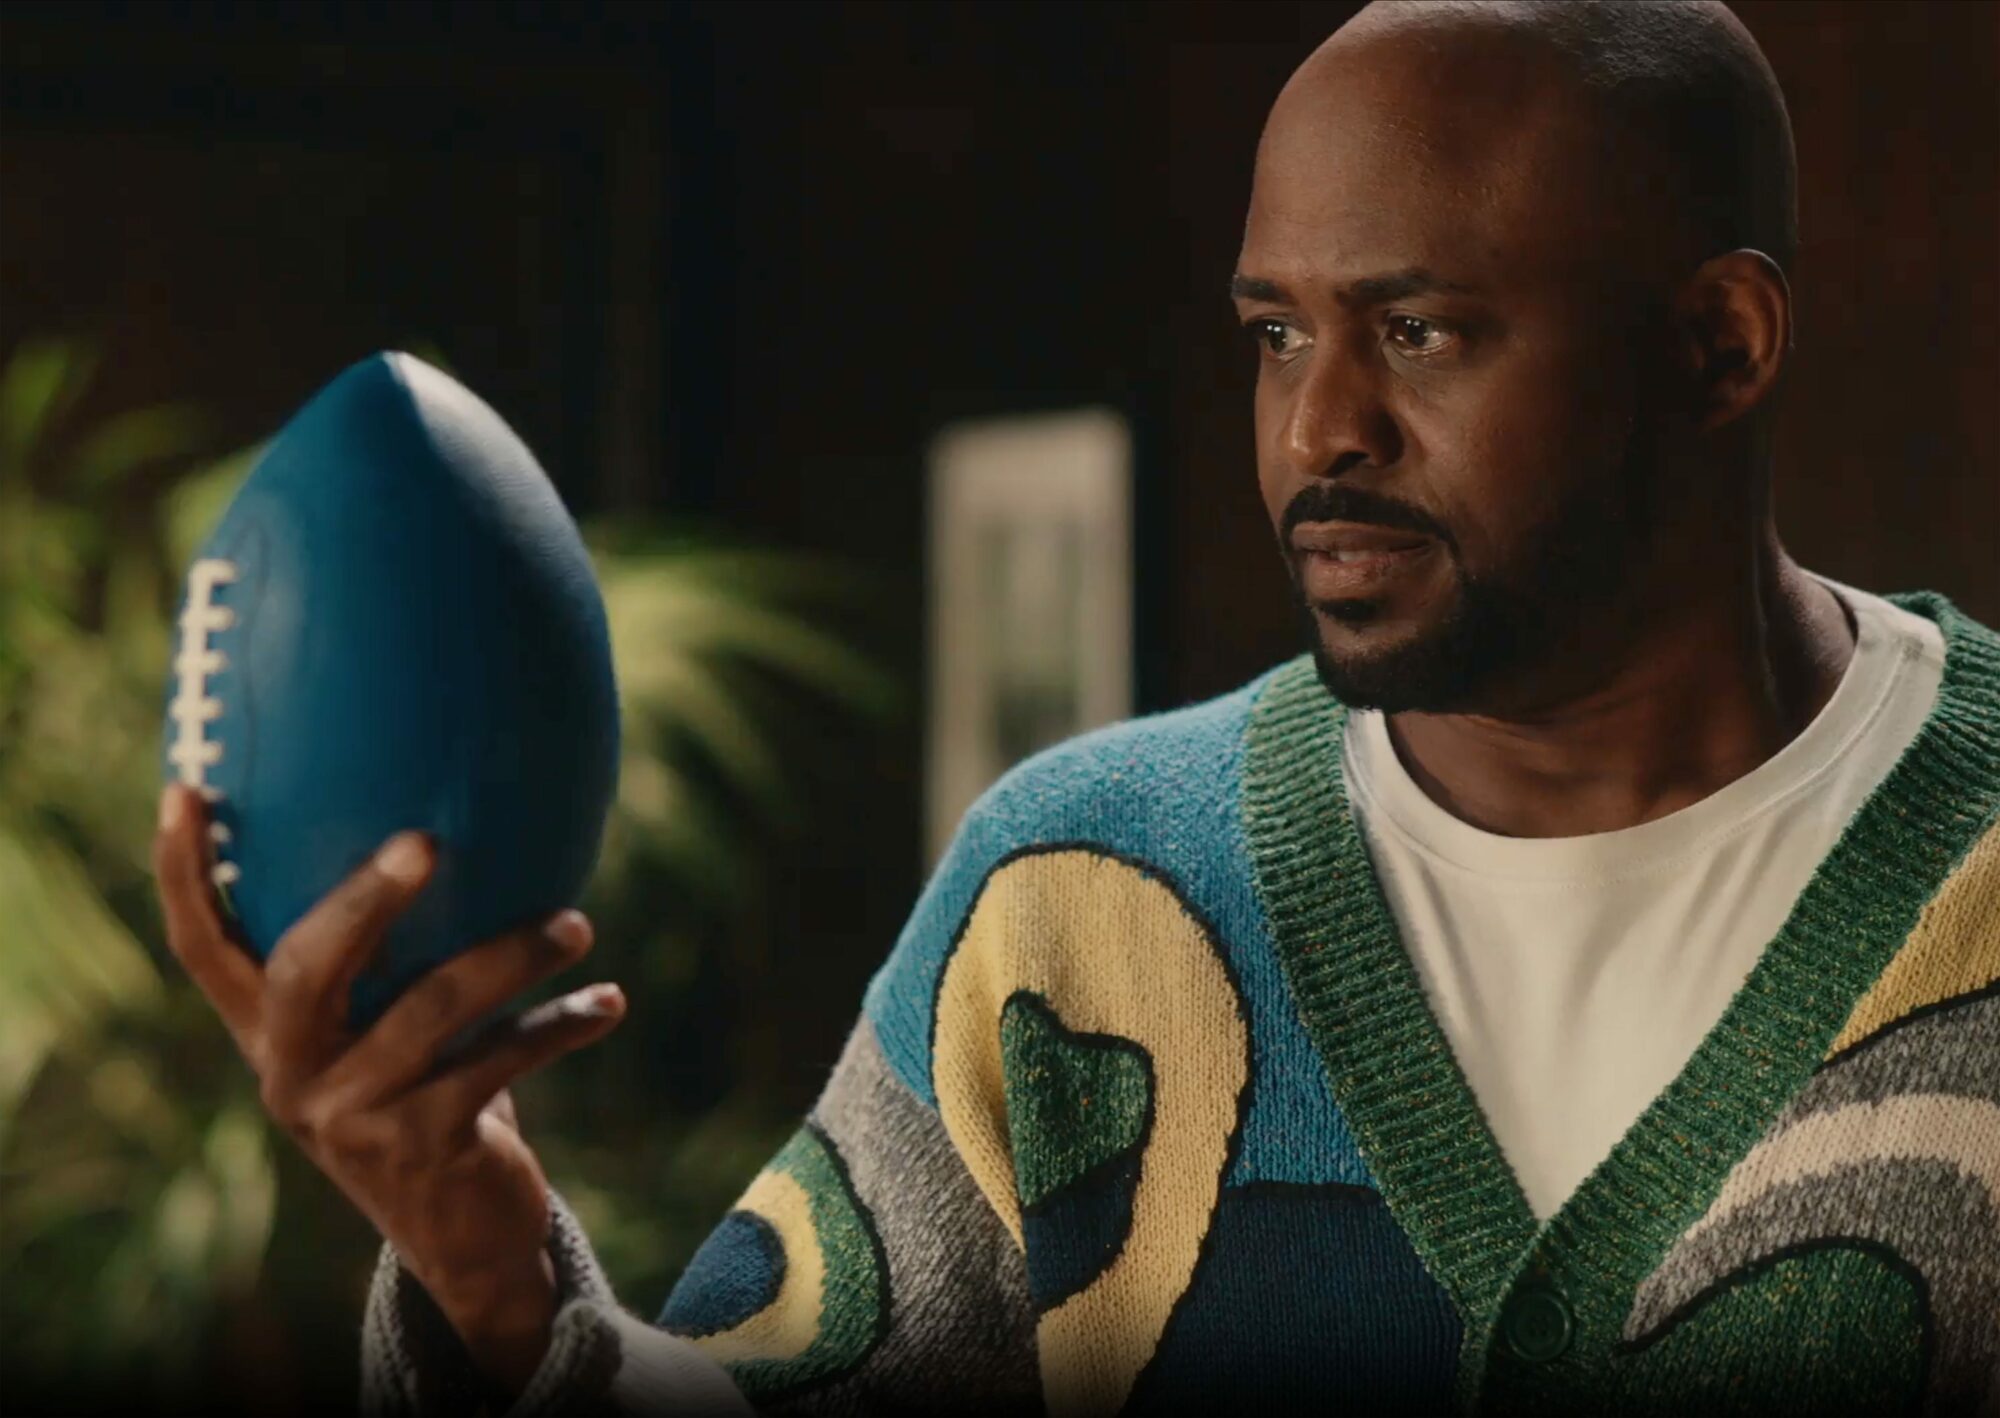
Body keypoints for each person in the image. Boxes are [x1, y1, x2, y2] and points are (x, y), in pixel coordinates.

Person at [153, 1, 1999, 1413]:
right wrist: (486, 1274)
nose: (1316, 429)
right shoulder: (1085, 890)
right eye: (1277, 332)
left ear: (1720, 344)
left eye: (1418, 330)